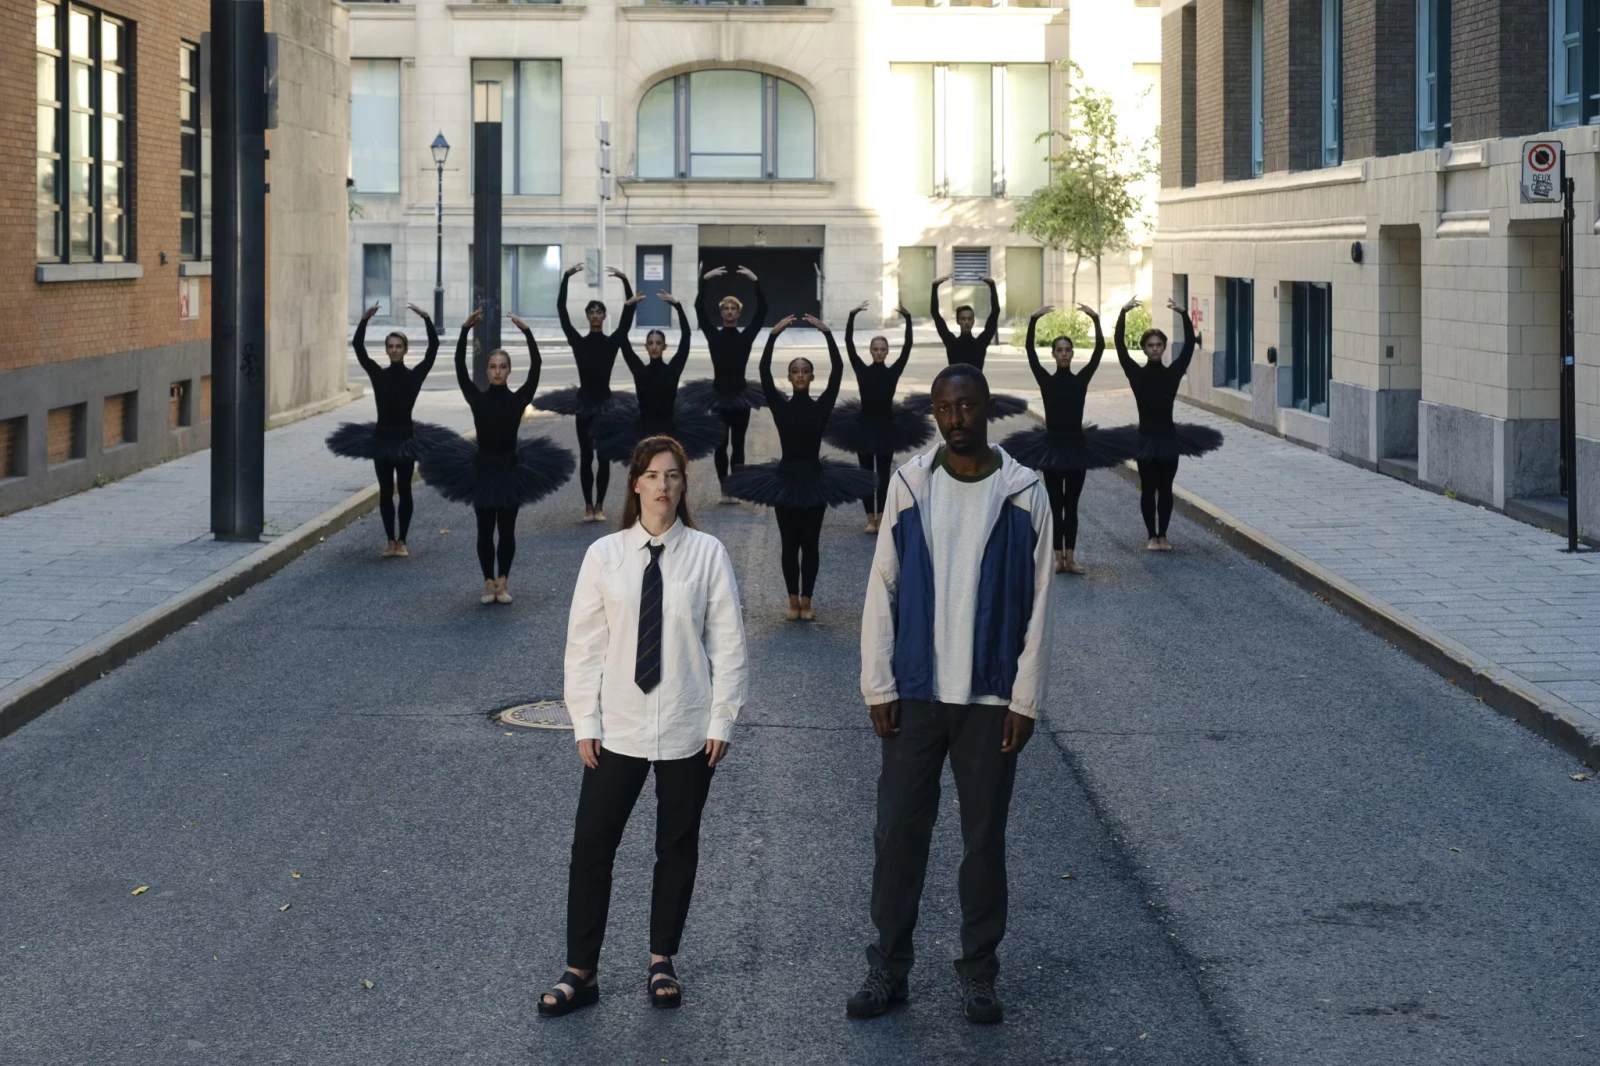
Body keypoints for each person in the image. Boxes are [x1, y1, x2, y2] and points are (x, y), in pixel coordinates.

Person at [850, 363, 1054, 1026]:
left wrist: (1026, 698)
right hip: (915, 694)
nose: (954, 418)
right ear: (933, 412)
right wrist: (878, 681)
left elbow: (1043, 603)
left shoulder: (1026, 492)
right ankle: (888, 968)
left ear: (986, 407)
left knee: (982, 842)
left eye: (965, 406)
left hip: (991, 698)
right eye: (943, 407)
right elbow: (883, 585)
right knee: (898, 835)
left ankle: (978, 974)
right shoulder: (910, 483)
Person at [543, 436, 748, 1017]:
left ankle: (662, 960)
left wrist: (723, 716)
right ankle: (581, 971)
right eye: (653, 476)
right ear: (635, 484)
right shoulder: (604, 556)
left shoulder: (707, 554)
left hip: (687, 722)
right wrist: (585, 720)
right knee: (591, 847)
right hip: (620, 728)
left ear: (684, 486)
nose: (663, 486)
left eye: (673, 476)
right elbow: (583, 646)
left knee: (676, 846)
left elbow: (729, 643)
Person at [722, 315, 876, 621]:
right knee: (790, 544)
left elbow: (839, 370)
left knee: (811, 543)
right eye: (795, 372)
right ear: (790, 378)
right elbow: (764, 371)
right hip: (784, 481)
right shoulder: (780, 406)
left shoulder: (821, 406)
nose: (801, 376)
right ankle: (792, 600)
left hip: (816, 480)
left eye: (805, 371)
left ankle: (808, 600)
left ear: (811, 377)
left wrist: (829, 334)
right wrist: (773, 335)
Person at [421, 309, 576, 604]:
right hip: (480, 470)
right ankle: (488, 582)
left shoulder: (519, 399)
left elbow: (537, 367)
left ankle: (503, 581)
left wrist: (528, 332)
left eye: (502, 367)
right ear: (488, 369)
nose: (496, 371)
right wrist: (465, 330)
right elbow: (459, 368)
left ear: (508, 371)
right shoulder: (476, 398)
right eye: (492, 366)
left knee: (506, 530)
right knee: (484, 529)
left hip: (511, 471)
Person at [999, 304, 1136, 575]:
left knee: (1071, 504)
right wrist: (1034, 319)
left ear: (1072, 354)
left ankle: (1070, 558)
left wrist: (1096, 320)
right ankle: (1055, 557)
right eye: (1059, 350)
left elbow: (1098, 351)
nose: (1063, 354)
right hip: (1051, 448)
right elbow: (1029, 352)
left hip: (1077, 448)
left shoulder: (1081, 379)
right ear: (1053, 354)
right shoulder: (1046, 380)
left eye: (1067, 350)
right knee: (1054, 503)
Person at [325, 302, 452, 558]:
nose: (394, 350)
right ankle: (389, 541)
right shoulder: (378, 375)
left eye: (398, 347)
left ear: (405, 350)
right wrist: (363, 320)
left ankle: (402, 541)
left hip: (406, 440)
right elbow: (359, 348)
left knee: (404, 489)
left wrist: (427, 318)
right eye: (390, 347)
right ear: (386, 350)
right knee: (385, 491)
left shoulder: (414, 376)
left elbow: (433, 350)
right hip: (381, 440)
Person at [1112, 298, 1224, 551]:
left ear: (1163, 348)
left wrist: (1184, 315)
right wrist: (1122, 313)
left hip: (1169, 439)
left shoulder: (1172, 373)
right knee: (1148, 487)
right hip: (1145, 440)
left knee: (1166, 488)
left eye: (1158, 345)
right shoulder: (1136, 373)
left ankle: (1164, 535)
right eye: (1150, 345)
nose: (1154, 348)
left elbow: (1187, 348)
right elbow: (1119, 347)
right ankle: (1152, 536)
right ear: (1144, 349)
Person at [534, 265, 642, 522]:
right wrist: (566, 278)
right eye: (592, 311)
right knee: (586, 456)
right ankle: (587, 506)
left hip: (605, 404)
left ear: (604, 316)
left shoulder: (612, 341)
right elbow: (561, 312)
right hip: (583, 404)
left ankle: (600, 506)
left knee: (603, 457)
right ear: (587, 316)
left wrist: (626, 279)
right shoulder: (578, 342)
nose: (595, 315)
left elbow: (629, 312)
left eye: (599, 311)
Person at [822, 303, 934, 533]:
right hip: (862, 427)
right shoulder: (862, 370)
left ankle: (881, 516)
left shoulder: (893, 371)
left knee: (883, 474)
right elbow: (849, 345)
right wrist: (852, 315)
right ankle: (869, 517)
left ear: (887, 352)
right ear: (871, 351)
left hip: (887, 428)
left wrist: (909, 319)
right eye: (876, 349)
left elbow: (908, 347)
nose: (880, 352)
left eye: (883, 349)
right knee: (866, 474)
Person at [591, 292, 725, 464]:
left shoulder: (673, 370)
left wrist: (678, 306)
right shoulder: (639, 370)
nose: (654, 347)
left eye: (658, 343)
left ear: (665, 347)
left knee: (669, 474)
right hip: (642, 432)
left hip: (671, 432)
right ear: (646, 347)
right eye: (651, 343)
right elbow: (622, 338)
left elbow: (686, 337)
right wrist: (627, 307)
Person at [679, 266, 769, 501]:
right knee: (720, 445)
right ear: (722, 313)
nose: (729, 311)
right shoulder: (713, 335)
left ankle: (735, 487)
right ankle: (724, 489)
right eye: (726, 308)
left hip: (741, 396)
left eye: (733, 309)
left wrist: (755, 281)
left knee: (738, 445)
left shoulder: (746, 336)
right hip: (717, 396)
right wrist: (705, 281)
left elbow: (762, 312)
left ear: (738, 314)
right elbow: (699, 309)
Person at [916, 275, 1027, 420]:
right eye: (963, 319)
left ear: (974, 321)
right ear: (957, 321)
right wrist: (935, 287)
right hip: (954, 392)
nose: (966, 322)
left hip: (975, 393)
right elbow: (936, 315)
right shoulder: (951, 342)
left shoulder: (980, 343)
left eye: (969, 319)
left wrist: (992, 286)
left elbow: (995, 314)